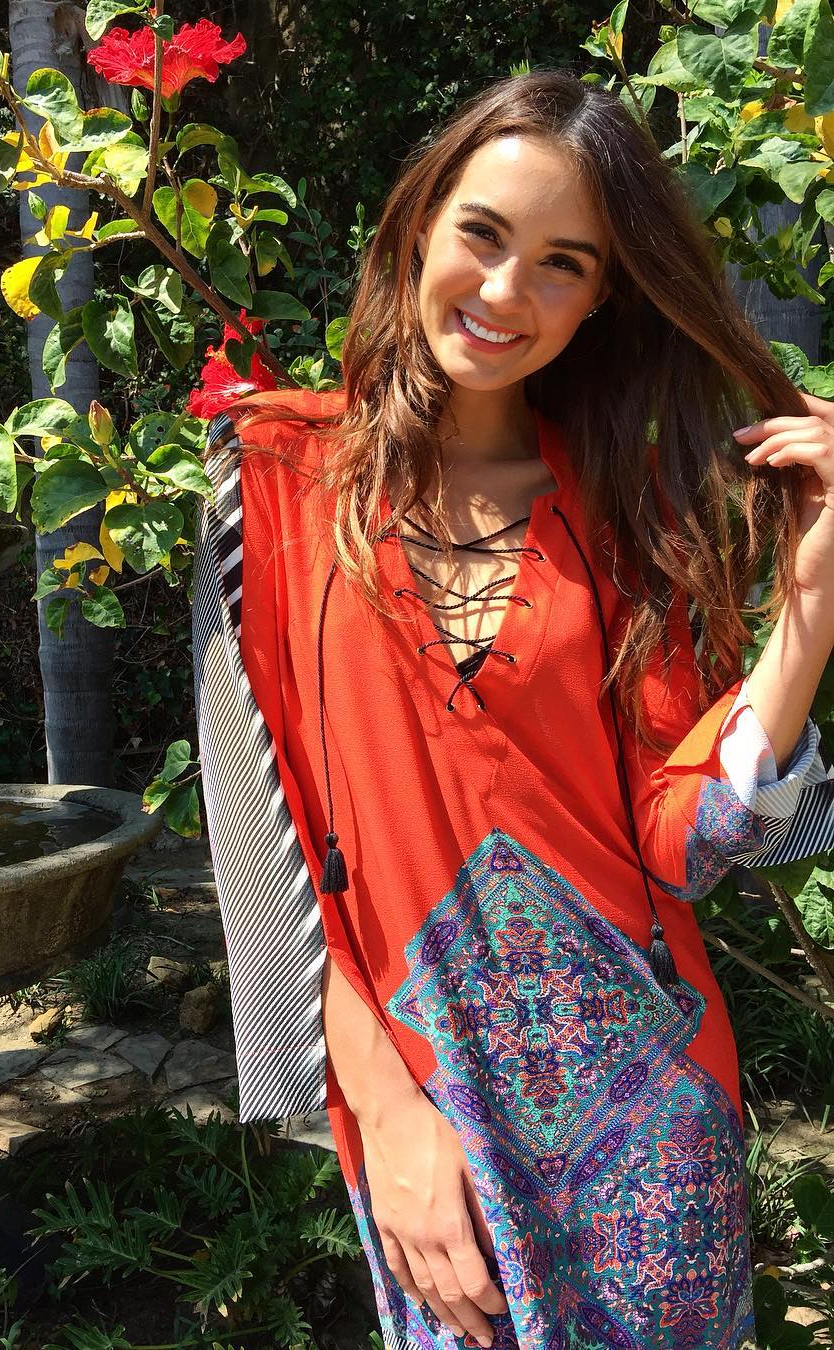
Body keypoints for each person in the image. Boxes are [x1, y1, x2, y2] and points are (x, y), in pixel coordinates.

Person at [191, 68, 834, 1349]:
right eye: (482, 234)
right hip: (430, 1123)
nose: (502, 291)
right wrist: (386, 1114)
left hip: (653, 1126)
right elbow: (262, 852)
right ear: (419, 224)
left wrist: (811, 606)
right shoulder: (270, 475)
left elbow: (682, 844)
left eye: (561, 266)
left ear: (601, 300)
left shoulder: (629, 512)